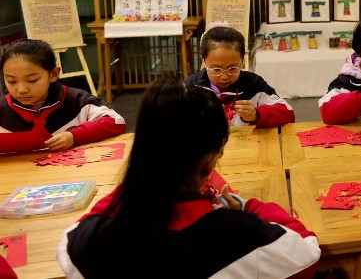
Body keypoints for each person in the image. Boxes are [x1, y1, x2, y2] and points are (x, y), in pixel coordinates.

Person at [56, 78, 321, 278]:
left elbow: (79, 227)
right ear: (211, 159)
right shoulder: (240, 234)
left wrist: (135, 184)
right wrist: (247, 206)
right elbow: (307, 252)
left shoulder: (83, 242)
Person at [0, 39, 125, 154]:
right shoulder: (2, 109)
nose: (22, 90)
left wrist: (75, 136)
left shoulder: (79, 101)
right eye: (11, 81)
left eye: (32, 80)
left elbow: (116, 122)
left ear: (53, 74)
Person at [184, 24, 295, 128]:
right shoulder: (191, 87)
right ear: (203, 61)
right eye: (216, 69)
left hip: (247, 145)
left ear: (243, 61)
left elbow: (288, 113)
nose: (224, 76)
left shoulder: (254, 84)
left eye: (233, 69)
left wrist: (257, 114)